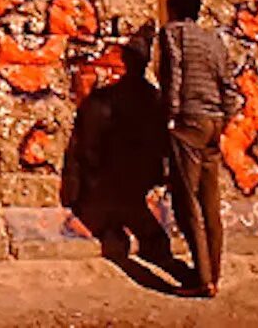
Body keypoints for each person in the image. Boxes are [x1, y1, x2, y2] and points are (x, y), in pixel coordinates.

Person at [60, 24, 176, 273]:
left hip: (111, 174)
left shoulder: (106, 98)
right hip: (137, 174)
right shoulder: (153, 98)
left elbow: (88, 145)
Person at [158, 0, 241, 298]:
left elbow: (175, 73)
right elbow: (228, 84)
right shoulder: (213, 40)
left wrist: (172, 115)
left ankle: (201, 278)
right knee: (210, 201)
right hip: (215, 122)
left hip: (189, 121)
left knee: (186, 200)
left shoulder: (173, 34)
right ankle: (214, 274)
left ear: (175, 10)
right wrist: (225, 117)